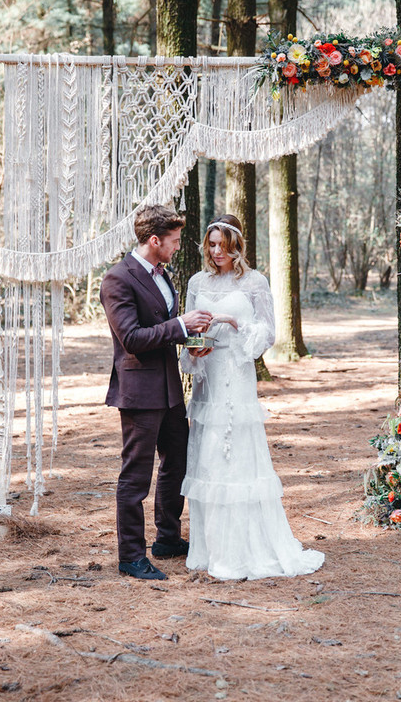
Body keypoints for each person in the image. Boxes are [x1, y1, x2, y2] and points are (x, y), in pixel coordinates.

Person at [180, 214, 324, 580]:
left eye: (222, 246)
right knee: (209, 456)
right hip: (208, 374)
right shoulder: (197, 281)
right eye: (211, 245)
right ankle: (210, 548)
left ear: (236, 247)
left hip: (238, 374)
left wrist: (233, 322)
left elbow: (268, 334)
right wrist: (194, 351)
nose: (216, 252)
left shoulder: (255, 281)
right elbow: (189, 328)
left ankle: (245, 549)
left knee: (237, 454)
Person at [100, 205, 212, 580]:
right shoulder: (117, 279)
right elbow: (131, 339)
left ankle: (167, 538)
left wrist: (190, 339)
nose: (178, 247)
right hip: (138, 392)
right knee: (135, 477)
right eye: (175, 241)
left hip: (168, 390)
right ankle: (131, 556)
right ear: (154, 241)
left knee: (177, 462)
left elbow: (163, 329)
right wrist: (180, 324)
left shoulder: (163, 275)